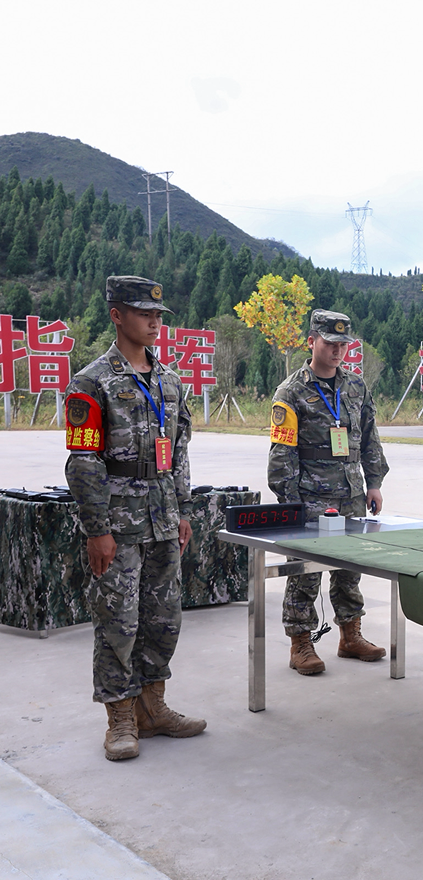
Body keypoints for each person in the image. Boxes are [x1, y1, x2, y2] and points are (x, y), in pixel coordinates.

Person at [65, 275, 207, 761]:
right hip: (118, 522)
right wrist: (97, 530)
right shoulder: (91, 382)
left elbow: (179, 451)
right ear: (116, 315)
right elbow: (83, 461)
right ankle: (120, 717)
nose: (153, 322)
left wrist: (183, 509)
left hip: (164, 515)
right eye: (143, 313)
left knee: (164, 619)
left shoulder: (169, 381)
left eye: (157, 315)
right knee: (118, 622)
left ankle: (153, 707)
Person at [268, 309, 390, 674]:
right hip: (311, 498)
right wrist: (291, 503)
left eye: (343, 345)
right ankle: (300, 643)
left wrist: (374, 483)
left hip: (351, 495)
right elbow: (282, 453)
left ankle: (350, 635)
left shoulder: (355, 387)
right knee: (305, 573)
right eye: (330, 343)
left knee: (350, 569)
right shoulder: (291, 391)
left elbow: (370, 438)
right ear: (311, 342)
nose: (338, 351)